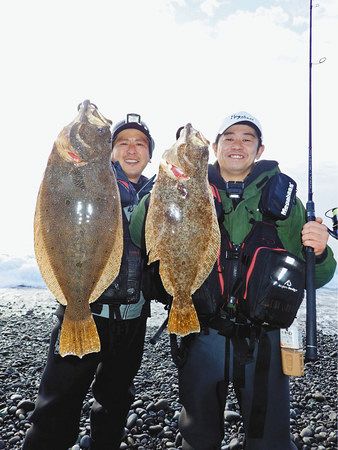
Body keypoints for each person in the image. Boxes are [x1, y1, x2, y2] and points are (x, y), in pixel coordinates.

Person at [129, 111, 336, 450]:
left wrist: (319, 251)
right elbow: (141, 235)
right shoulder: (184, 183)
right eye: (229, 137)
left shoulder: (284, 198)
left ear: (259, 148)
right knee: (198, 436)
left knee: (269, 439)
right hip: (202, 331)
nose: (237, 145)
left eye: (247, 138)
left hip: (264, 340)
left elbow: (319, 277)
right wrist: (160, 191)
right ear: (214, 146)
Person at [23, 113, 156, 450]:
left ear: (150, 155)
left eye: (139, 143)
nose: (130, 149)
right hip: (86, 311)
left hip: (133, 320)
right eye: (122, 142)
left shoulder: (158, 195)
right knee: (56, 405)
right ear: (109, 151)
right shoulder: (90, 177)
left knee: (114, 404)